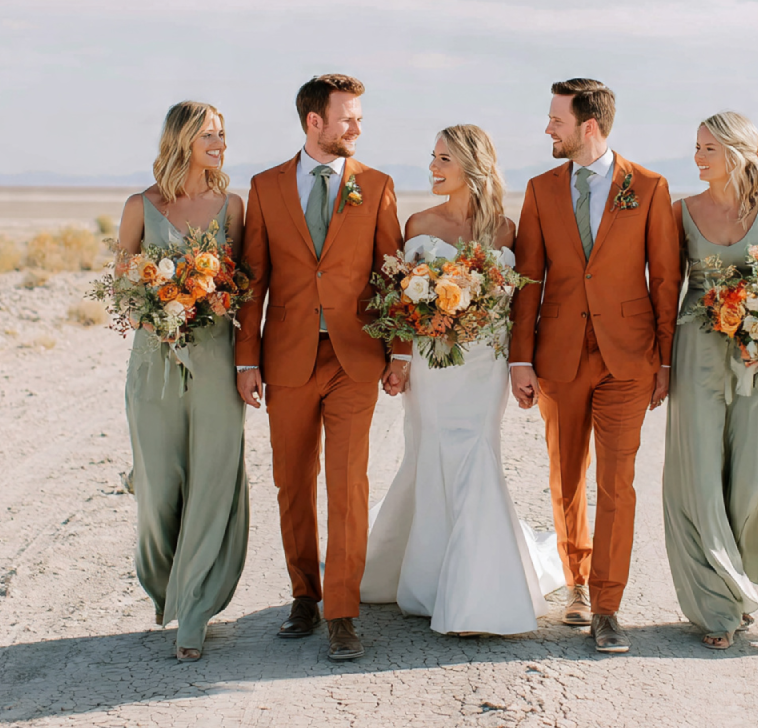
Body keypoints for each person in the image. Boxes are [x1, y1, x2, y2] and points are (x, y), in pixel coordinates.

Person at [361, 126, 565, 633]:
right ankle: (429, 577)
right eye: (432, 156)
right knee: (429, 451)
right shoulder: (417, 224)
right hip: (432, 363)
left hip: (485, 363)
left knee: (476, 450)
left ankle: (478, 589)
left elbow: (520, 306)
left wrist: (522, 363)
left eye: (444, 158)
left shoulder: (505, 230)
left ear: (472, 165)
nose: (433, 166)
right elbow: (403, 302)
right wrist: (401, 358)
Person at [235, 74, 407, 662]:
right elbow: (253, 280)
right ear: (315, 122)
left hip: (354, 358)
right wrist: (246, 360)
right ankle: (303, 596)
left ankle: (342, 611)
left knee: (348, 485)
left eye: (358, 118)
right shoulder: (264, 187)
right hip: (286, 357)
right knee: (292, 483)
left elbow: (391, 277)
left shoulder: (377, 185)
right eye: (348, 118)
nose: (357, 128)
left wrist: (399, 352)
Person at [509, 79, 680, 653]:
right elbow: (529, 279)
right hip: (558, 355)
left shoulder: (650, 187)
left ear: (589, 126)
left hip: (628, 358)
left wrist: (665, 360)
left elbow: (666, 279)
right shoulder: (539, 189)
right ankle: (576, 580)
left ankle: (609, 605)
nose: (548, 129)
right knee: (565, 477)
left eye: (556, 120)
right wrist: (520, 357)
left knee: (617, 484)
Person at [116, 101, 249, 663]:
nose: (220, 143)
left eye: (222, 133)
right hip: (154, 363)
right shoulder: (140, 206)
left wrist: (207, 301)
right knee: (160, 489)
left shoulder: (232, 206)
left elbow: (241, 283)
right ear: (182, 140)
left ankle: (193, 610)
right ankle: (163, 580)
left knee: (213, 481)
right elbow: (122, 281)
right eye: (209, 135)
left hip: (216, 360)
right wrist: (155, 309)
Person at [662, 113, 758, 650]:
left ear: (739, 153)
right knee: (697, 472)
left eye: (709, 148)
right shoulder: (680, 212)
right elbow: (666, 289)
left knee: (751, 474)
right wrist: (659, 364)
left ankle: (740, 582)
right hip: (697, 351)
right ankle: (717, 606)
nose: (697, 157)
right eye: (696, 146)